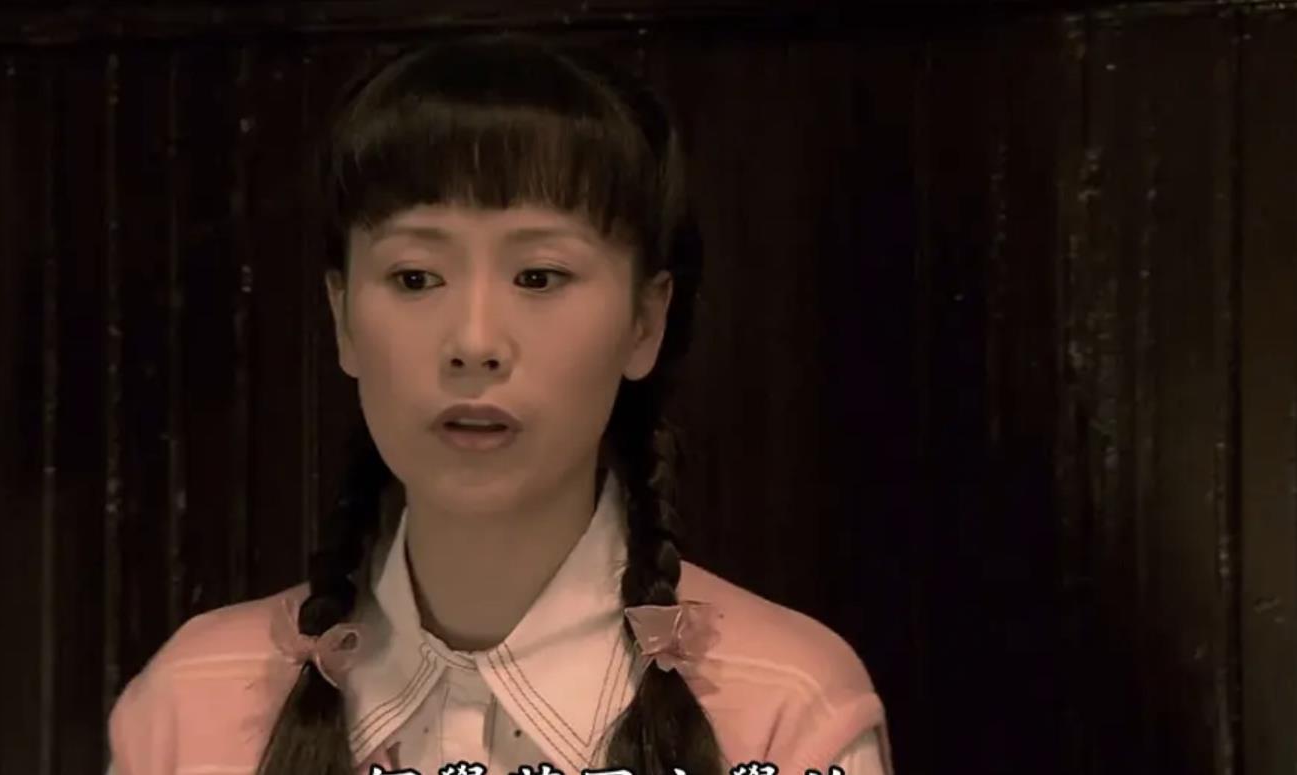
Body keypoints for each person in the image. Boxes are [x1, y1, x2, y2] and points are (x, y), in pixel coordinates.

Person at [107, 32, 893, 775]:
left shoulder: (784, 707)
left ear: (645, 321)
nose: (474, 341)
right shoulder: (192, 705)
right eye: (416, 277)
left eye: (538, 277)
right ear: (342, 317)